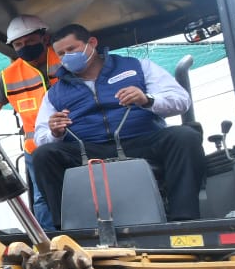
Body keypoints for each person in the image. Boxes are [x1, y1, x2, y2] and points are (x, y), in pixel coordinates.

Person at [33, 24, 204, 227]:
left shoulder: (137, 67)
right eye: (61, 54)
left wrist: (147, 99)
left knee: (185, 136)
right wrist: (54, 132)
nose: (67, 57)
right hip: (88, 150)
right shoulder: (55, 92)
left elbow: (180, 100)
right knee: (43, 155)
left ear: (92, 43)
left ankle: (184, 221)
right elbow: (40, 136)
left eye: (72, 49)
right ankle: (69, 229)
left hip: (141, 140)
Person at [0, 14, 62, 231]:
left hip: (76, 141)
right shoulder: (8, 77)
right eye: (18, 44)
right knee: (42, 199)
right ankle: (53, 241)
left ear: (45, 38)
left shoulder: (65, 58)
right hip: (36, 148)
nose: (24, 47)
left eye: (29, 41)